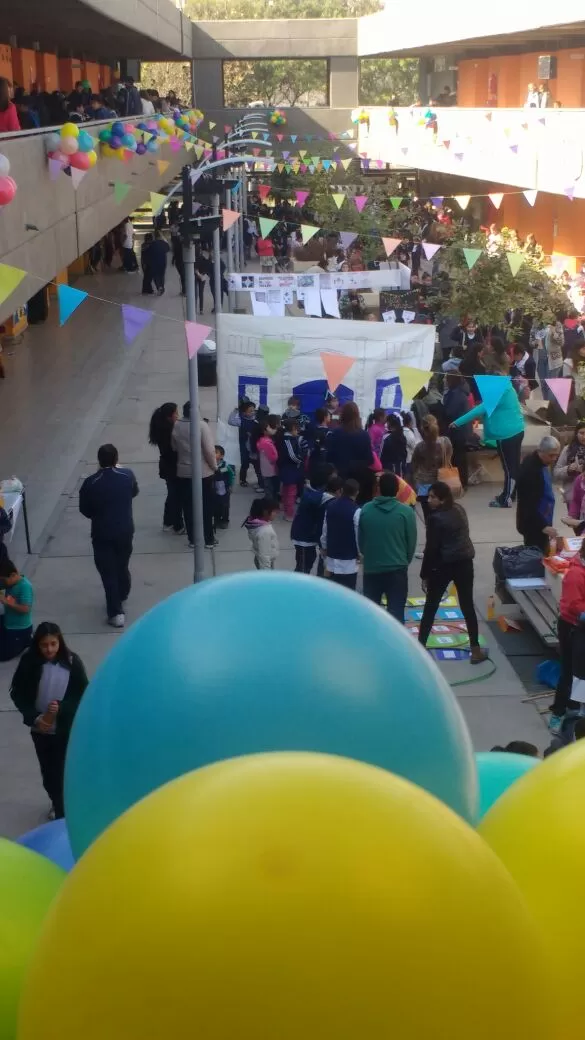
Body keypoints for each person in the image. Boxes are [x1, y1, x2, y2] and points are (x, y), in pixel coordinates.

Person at [10, 623, 88, 819]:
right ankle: (56, 801)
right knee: (49, 773)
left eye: (53, 644)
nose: (49, 649)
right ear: (37, 645)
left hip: (64, 731)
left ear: (60, 642)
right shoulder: (29, 663)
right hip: (41, 732)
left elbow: (82, 693)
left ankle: (64, 810)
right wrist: (34, 718)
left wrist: (62, 708)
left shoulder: (72, 663)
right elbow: (18, 694)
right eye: (44, 645)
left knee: (63, 772)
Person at [417, 482, 488, 664]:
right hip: (464, 562)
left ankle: (419, 649)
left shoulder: (435, 518)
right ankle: (475, 650)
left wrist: (425, 574)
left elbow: (431, 549)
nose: (429, 500)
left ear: (442, 499)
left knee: (431, 607)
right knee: (467, 606)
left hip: (443, 565)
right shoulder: (459, 509)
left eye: (433, 497)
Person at [79, 444, 139, 628]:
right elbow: (134, 492)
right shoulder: (127, 475)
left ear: (99, 460)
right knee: (121, 565)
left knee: (108, 571)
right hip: (125, 529)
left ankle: (115, 611)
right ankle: (122, 592)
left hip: (102, 532)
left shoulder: (91, 482)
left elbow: (85, 509)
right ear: (116, 458)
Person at [451, 365, 525, 508]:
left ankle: (506, 499)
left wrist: (458, 422)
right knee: (514, 465)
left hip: (506, 434)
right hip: (516, 430)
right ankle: (510, 494)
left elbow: (482, 408)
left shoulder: (498, 391)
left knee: (509, 468)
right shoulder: (507, 387)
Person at [359, 471, 417, 622]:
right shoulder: (406, 512)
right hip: (397, 568)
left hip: (373, 568)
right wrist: (404, 561)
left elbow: (361, 542)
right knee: (396, 612)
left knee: (371, 614)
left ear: (378, 488)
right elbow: (411, 543)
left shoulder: (366, 509)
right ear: (397, 489)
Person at [548, 539, 585, 733]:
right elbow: (575, 606)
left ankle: (576, 707)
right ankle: (558, 712)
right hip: (573, 627)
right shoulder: (576, 575)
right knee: (570, 672)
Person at [172, 402, 218, 550]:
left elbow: (174, 446)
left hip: (184, 471)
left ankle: (192, 538)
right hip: (203, 472)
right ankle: (209, 539)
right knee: (206, 507)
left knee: (188, 506)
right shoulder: (201, 426)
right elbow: (209, 451)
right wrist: (214, 467)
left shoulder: (177, 425)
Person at [516, 435, 561, 552]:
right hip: (534, 524)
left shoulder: (541, 463)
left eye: (557, 455)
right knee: (535, 557)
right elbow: (528, 504)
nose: (554, 459)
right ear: (541, 452)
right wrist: (542, 526)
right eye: (551, 455)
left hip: (543, 517)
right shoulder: (531, 471)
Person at [148, 402, 183, 534]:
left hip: (167, 467)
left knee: (173, 495)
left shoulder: (163, 428)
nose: (178, 416)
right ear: (169, 416)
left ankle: (168, 521)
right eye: (176, 413)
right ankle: (177, 524)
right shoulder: (169, 431)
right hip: (172, 467)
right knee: (176, 496)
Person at [320, 478, 361, 589]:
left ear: (342, 490)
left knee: (331, 590)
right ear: (357, 492)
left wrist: (324, 546)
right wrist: (360, 552)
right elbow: (358, 535)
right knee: (348, 591)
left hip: (331, 557)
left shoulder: (330, 506)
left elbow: (325, 529)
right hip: (349, 561)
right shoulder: (357, 511)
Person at [326, 402, 374, 479]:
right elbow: (370, 460)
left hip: (340, 476)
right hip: (357, 479)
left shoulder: (336, 433)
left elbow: (329, 457)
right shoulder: (364, 435)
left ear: (343, 415)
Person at [0, 557, 33, 660]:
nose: (2, 583)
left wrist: (6, 602)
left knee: (3, 655)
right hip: (8, 623)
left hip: (19, 629)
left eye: (3, 580)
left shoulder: (25, 586)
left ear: (13, 575)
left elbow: (25, 609)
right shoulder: (10, 582)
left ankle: (25, 641)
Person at [443, 373, 472, 490]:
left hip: (457, 431)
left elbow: (450, 411)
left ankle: (460, 482)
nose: (444, 380)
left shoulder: (455, 395)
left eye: (446, 378)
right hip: (461, 430)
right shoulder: (460, 393)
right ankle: (461, 481)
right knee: (460, 457)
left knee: (458, 458)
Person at [411, 414, 442, 519]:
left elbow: (414, 465)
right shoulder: (444, 443)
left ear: (422, 428)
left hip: (424, 485)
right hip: (441, 482)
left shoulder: (420, 447)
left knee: (428, 518)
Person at [277, 419, 305, 522]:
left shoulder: (284, 438)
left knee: (286, 491)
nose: (297, 432)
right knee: (291, 493)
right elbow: (292, 456)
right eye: (297, 429)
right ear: (293, 428)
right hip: (290, 470)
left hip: (287, 470)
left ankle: (286, 509)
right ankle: (289, 514)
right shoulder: (288, 440)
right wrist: (300, 460)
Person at [228, 399, 258, 487]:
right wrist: (236, 410)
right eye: (250, 411)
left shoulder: (257, 420)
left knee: (257, 464)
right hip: (244, 446)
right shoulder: (241, 421)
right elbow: (231, 421)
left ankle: (260, 482)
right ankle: (242, 480)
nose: (252, 412)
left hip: (254, 446)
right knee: (245, 464)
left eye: (253, 410)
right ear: (244, 413)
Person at [554, 421, 585, 505]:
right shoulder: (568, 450)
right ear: (576, 434)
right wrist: (568, 469)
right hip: (573, 497)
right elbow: (556, 472)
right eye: (581, 433)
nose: (584, 437)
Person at [243, 497, 279, 569]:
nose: (276, 514)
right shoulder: (265, 531)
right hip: (265, 563)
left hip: (259, 558)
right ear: (265, 512)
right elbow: (264, 556)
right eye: (274, 511)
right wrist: (266, 574)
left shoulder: (255, 524)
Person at [257, 416, 280, 500]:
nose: (273, 429)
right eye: (269, 428)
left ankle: (269, 500)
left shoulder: (262, 440)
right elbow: (274, 456)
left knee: (268, 486)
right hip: (270, 468)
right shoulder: (267, 442)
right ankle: (270, 502)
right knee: (270, 487)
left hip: (265, 469)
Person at [213, 445, 234, 530]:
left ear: (221, 456)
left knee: (225, 505)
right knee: (215, 505)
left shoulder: (225, 466)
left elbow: (231, 475)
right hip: (214, 489)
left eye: (215, 452)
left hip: (224, 489)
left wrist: (230, 485)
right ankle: (217, 519)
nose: (213, 454)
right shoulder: (210, 464)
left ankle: (225, 520)